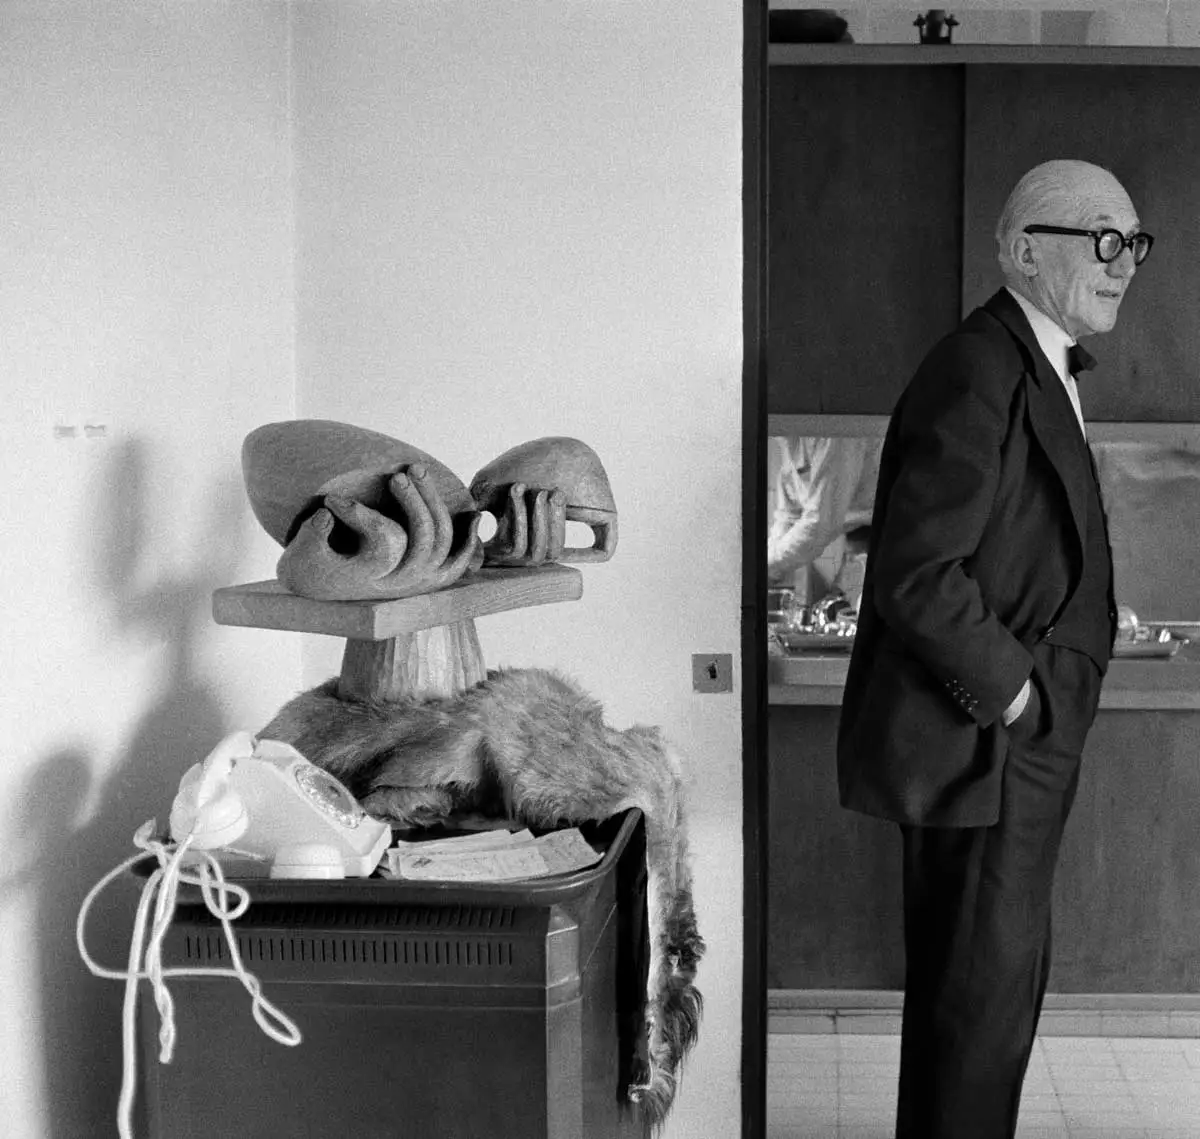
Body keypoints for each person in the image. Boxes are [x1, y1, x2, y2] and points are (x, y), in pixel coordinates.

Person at [836, 159, 1153, 1139]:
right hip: (988, 750)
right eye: (1102, 238)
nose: (1124, 263)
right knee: (977, 1010)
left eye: (1134, 243)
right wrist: (1020, 698)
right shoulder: (981, 364)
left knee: (986, 1004)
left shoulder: (1028, 361)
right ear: (1022, 249)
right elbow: (918, 571)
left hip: (1012, 750)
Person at [767, 434, 882, 610]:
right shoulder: (790, 436)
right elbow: (789, 514)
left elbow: (819, 525)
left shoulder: (833, 433)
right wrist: (766, 565)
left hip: (894, 539)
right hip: (857, 545)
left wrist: (769, 568)